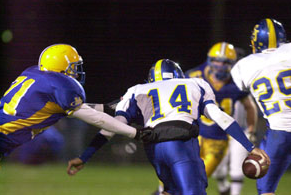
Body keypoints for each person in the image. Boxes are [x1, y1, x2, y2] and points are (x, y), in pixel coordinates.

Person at [67, 59, 269, 195]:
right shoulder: (195, 83)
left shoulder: (137, 90)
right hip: (181, 144)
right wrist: (251, 147)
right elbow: (219, 117)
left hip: (154, 148)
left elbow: (112, 126)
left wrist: (85, 156)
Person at [0, 43, 150, 191]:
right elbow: (97, 119)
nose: (76, 72)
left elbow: (72, 108)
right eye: (73, 67)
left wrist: (106, 108)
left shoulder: (35, 76)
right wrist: (135, 133)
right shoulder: (60, 86)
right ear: (60, 68)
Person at [184, 42, 258, 195]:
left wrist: (251, 130)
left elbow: (250, 107)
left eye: (225, 62)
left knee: (197, 179)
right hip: (195, 135)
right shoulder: (195, 76)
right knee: (178, 173)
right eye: (217, 60)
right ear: (209, 60)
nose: (220, 65)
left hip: (218, 140)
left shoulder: (237, 83)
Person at [231, 18, 291, 195]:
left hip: (279, 133)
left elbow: (240, 89)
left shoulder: (243, 66)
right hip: (278, 131)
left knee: (265, 189)